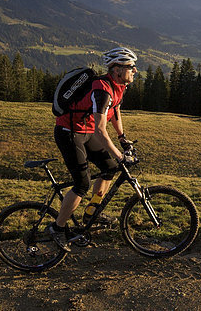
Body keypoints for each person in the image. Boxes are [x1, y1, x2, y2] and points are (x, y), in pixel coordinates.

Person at [46, 46, 138, 251]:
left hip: (85, 131)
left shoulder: (118, 87)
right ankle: (57, 228)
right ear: (117, 69)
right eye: (131, 67)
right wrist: (119, 154)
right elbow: (100, 130)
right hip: (68, 132)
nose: (135, 70)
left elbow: (115, 112)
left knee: (110, 168)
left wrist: (122, 138)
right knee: (82, 183)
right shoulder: (102, 90)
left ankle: (92, 210)